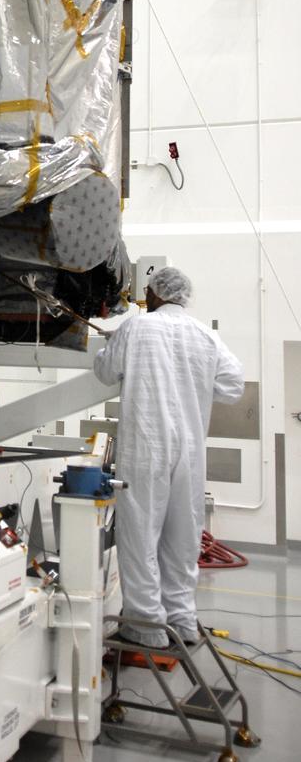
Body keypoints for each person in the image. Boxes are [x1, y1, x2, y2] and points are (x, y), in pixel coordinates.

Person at [94, 266, 244, 647]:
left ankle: (146, 626)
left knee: (140, 534)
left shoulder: (137, 328)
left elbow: (106, 372)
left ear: (157, 294)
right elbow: (232, 385)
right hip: (190, 452)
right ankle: (182, 619)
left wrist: (109, 347)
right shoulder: (205, 336)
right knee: (183, 536)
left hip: (147, 447)